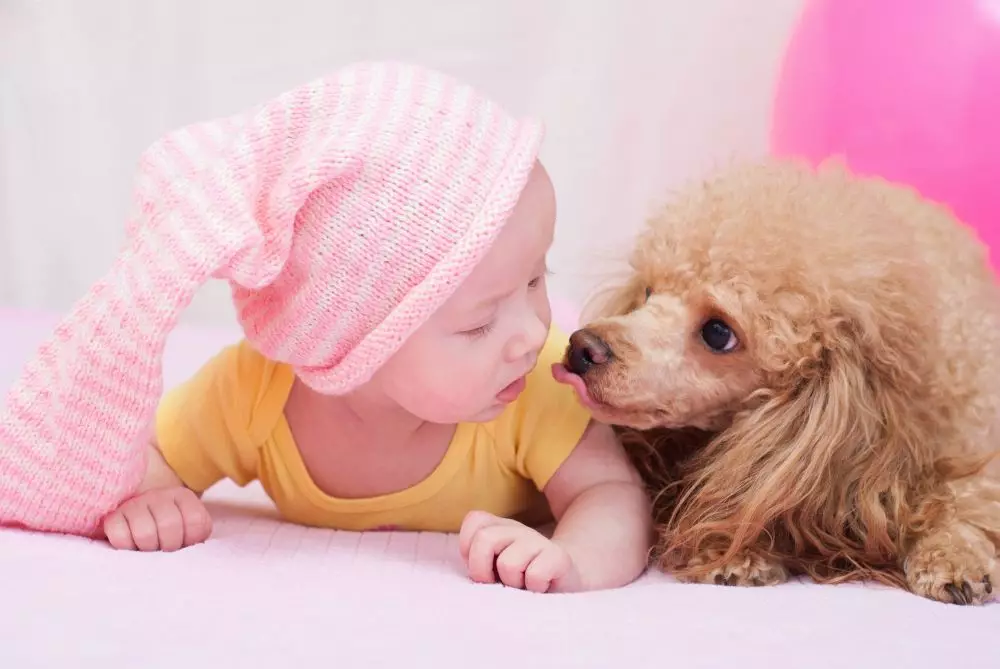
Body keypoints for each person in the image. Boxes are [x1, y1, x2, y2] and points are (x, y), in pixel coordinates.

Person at [0, 61, 651, 593]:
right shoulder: (255, 393)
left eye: (538, 279)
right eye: (479, 323)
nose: (532, 332)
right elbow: (154, 458)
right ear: (355, 347)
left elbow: (611, 494)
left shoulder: (531, 386)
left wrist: (572, 561)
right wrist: (154, 497)